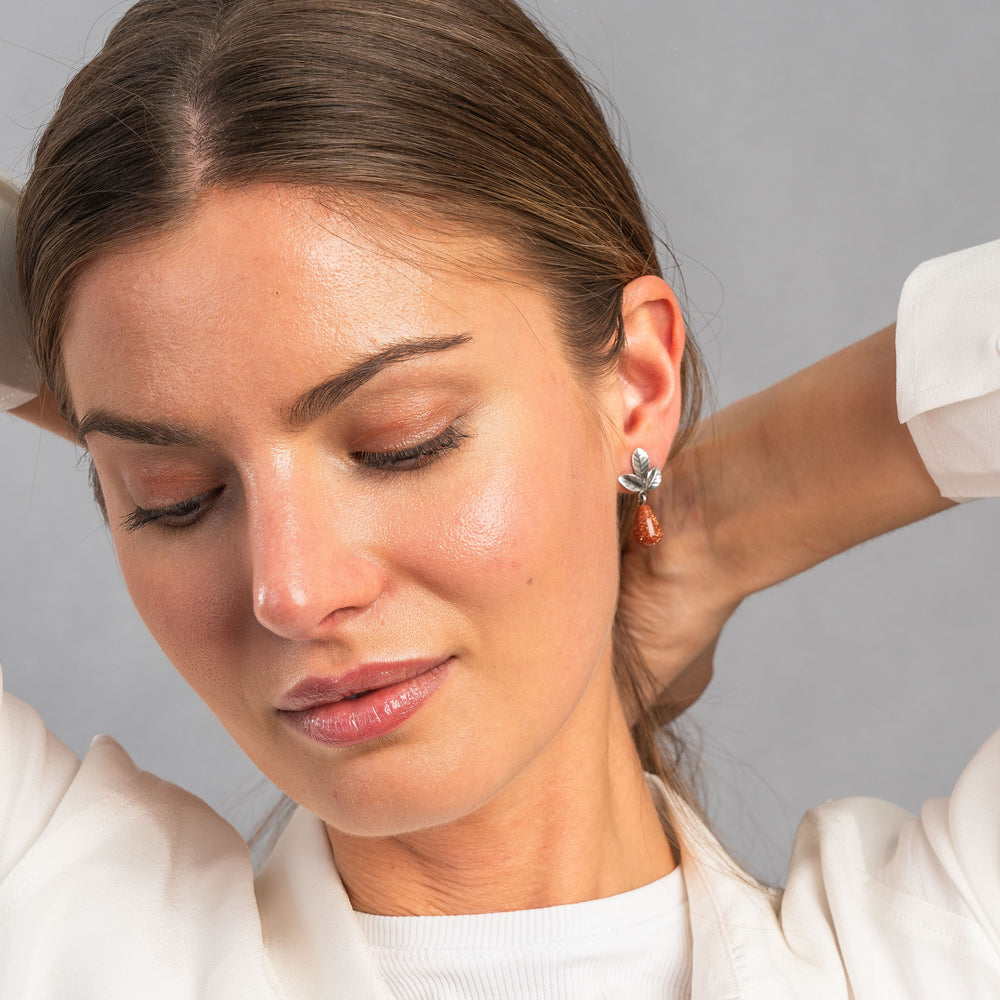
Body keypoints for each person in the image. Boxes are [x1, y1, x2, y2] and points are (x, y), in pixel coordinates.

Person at [1, 0, 998, 997]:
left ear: (639, 384)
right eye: (174, 495)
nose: (292, 590)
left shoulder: (941, 952)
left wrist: (708, 513)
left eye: (402, 442)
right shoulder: (62, 935)